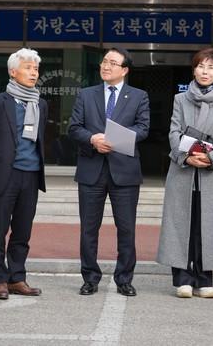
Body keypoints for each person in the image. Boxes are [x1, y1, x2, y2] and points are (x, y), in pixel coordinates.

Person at [68, 47, 150, 296]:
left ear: (124, 70)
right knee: (88, 229)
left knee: (126, 229)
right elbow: (74, 127)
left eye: (113, 63)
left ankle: (124, 279)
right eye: (104, 61)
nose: (106, 66)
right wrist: (92, 139)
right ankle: (90, 278)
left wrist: (115, 139)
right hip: (91, 169)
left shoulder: (139, 96)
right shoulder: (86, 94)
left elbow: (143, 128)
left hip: (124, 171)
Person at [156, 48, 213, 298]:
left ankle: (205, 279)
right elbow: (174, 131)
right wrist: (187, 156)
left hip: (212, 173)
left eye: (211, 67)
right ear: (194, 70)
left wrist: (211, 156)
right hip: (183, 171)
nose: (205, 71)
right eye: (201, 66)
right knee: (181, 225)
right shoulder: (180, 99)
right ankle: (183, 279)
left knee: (208, 226)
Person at [0, 48, 48, 300]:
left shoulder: (40, 104)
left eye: (36, 69)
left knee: (23, 231)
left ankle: (17, 277)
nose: (33, 73)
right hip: (5, 175)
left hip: (31, 175)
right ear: (13, 71)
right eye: (28, 68)